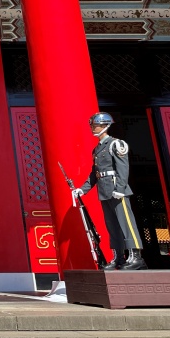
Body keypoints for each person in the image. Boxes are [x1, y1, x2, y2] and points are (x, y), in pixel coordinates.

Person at [71, 112, 147, 270]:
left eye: (96, 125)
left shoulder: (116, 144)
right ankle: (119, 257)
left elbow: (123, 169)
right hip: (105, 191)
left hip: (117, 189)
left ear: (106, 125)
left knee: (126, 223)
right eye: (92, 125)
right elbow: (95, 173)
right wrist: (82, 189)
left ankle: (136, 257)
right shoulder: (97, 149)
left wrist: (120, 188)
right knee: (112, 225)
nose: (93, 128)